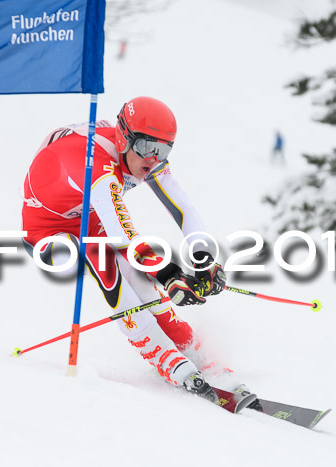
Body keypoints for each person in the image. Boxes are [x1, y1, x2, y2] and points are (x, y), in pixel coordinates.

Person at [21, 97, 229, 402]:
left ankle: (185, 344)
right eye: (147, 147)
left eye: (165, 149)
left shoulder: (145, 157)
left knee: (138, 273)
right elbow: (122, 237)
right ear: (124, 138)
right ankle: (161, 353)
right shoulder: (96, 163)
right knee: (104, 257)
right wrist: (169, 274)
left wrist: (203, 258)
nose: (154, 158)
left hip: (88, 219)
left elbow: (182, 209)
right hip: (45, 235)